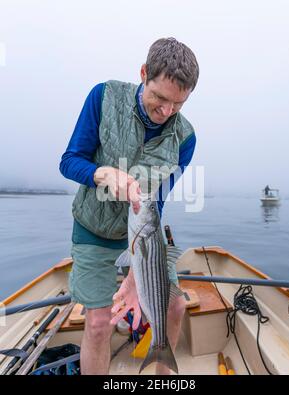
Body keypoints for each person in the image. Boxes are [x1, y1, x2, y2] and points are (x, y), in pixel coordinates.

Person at [59, 37, 199, 375]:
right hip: (94, 229)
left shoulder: (185, 138)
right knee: (98, 323)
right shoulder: (103, 97)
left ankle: (161, 374)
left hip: (143, 234)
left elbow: (159, 201)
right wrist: (102, 173)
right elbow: (69, 161)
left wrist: (140, 270)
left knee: (175, 306)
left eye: (177, 104)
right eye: (160, 98)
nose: (166, 112)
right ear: (143, 74)